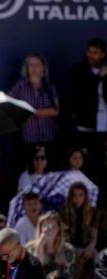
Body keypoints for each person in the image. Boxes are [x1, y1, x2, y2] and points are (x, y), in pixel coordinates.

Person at [69, 38, 107, 202]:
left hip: (103, 128)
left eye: (96, 52)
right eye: (89, 52)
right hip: (85, 128)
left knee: (101, 170)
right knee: (86, 167)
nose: (92, 56)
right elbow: (83, 96)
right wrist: (99, 78)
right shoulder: (80, 71)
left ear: (102, 54)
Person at [8, 53, 59, 167]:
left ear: (43, 68)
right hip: (28, 140)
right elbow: (9, 103)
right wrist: (22, 115)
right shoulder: (20, 86)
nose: (34, 68)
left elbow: (56, 110)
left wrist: (32, 112)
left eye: (37, 65)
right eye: (31, 65)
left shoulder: (49, 87)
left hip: (49, 139)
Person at [59, 182, 99, 279]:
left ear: (85, 196)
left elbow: (94, 235)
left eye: (81, 195)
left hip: (87, 246)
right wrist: (77, 250)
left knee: (97, 255)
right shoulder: (64, 211)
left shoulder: (93, 212)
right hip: (70, 246)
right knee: (73, 254)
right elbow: (63, 235)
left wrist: (90, 247)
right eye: (74, 195)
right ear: (70, 196)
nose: (78, 198)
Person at [25, 212, 77, 279]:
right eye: (46, 226)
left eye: (53, 227)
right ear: (40, 228)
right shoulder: (29, 248)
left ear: (59, 229)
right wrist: (40, 246)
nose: (49, 230)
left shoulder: (67, 249)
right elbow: (34, 272)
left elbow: (68, 276)